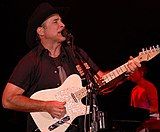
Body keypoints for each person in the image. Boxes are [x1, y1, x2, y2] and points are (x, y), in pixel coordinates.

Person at [2, 2, 141, 132]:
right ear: (41, 31)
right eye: (55, 21)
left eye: (61, 21)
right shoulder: (31, 61)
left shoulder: (76, 53)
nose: (62, 25)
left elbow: (100, 82)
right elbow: (8, 99)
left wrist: (125, 72)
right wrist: (46, 106)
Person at [127, 66, 160, 132]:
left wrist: (141, 114)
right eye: (130, 72)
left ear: (141, 73)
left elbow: (155, 108)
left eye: (133, 72)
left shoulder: (150, 86)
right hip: (140, 126)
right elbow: (133, 110)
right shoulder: (134, 90)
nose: (131, 74)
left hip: (151, 126)